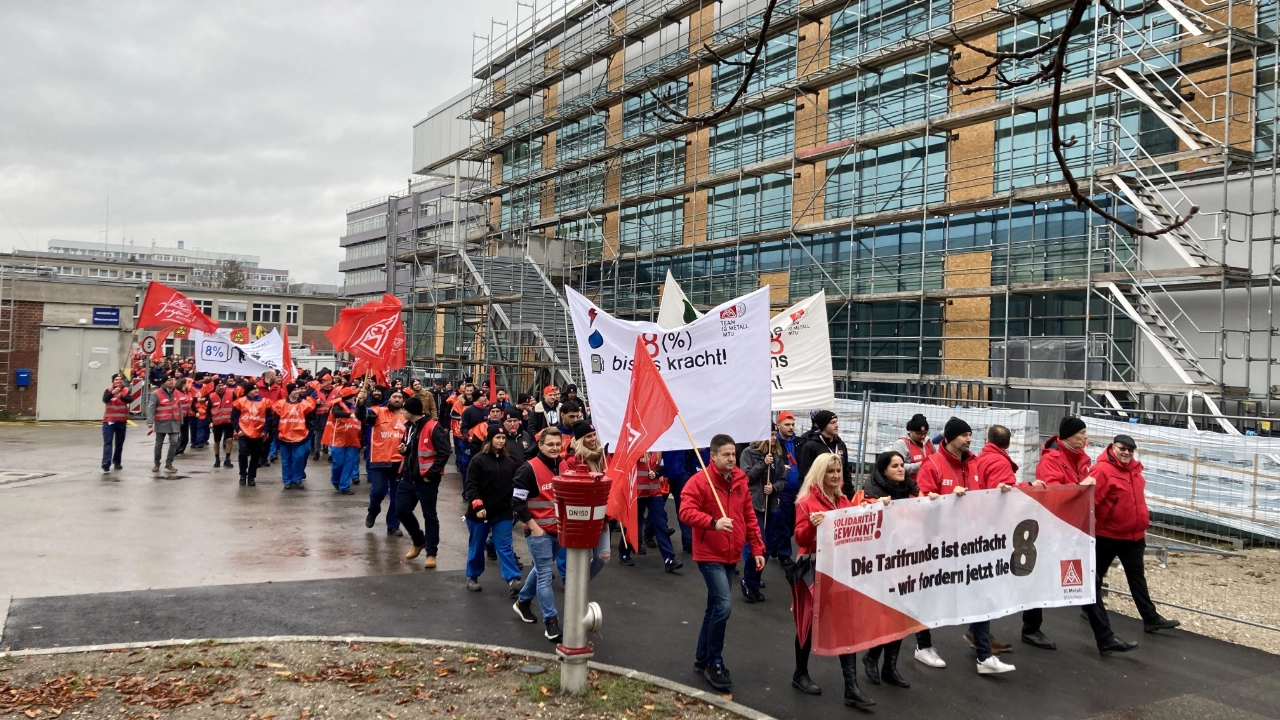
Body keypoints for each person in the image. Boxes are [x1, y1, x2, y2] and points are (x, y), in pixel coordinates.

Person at [917, 417, 1016, 675]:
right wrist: (946, 499)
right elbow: (921, 503)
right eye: (964, 435)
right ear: (950, 438)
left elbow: (983, 495)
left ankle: (984, 656)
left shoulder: (975, 463)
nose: (969, 439)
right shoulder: (933, 464)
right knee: (929, 595)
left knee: (979, 594)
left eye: (971, 434)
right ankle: (923, 645)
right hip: (940, 545)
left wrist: (999, 490)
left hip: (972, 542)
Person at [792, 452, 880, 707]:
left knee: (845, 626)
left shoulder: (844, 502)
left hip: (839, 571)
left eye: (839, 471)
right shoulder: (806, 502)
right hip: (813, 569)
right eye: (831, 471)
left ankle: (851, 688)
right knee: (807, 625)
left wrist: (871, 511)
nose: (836, 475)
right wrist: (811, 525)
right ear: (820, 473)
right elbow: (799, 538)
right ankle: (800, 673)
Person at [678, 434, 764, 693]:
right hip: (709, 553)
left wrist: (757, 548)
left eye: (733, 454)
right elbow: (685, 511)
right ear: (712, 456)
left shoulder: (739, 480)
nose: (731, 458)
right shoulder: (699, 481)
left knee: (715, 606)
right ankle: (715, 661)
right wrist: (713, 523)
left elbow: (748, 516)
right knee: (724, 606)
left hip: (732, 553)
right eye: (725, 454)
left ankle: (701, 658)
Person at [1083, 434, 1177, 654]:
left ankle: (1150, 617)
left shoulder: (1135, 472)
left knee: (1137, 577)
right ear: (1113, 448)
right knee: (1095, 577)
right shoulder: (1102, 471)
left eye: (1130, 450)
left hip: (1133, 536)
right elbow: (1090, 503)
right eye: (1122, 449)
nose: (1126, 453)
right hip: (1107, 535)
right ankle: (1091, 610)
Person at [860, 451, 917, 689]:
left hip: (907, 561)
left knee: (901, 616)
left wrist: (934, 502)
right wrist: (873, 510)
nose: (901, 469)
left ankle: (890, 666)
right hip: (882, 564)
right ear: (884, 470)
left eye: (902, 465)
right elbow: (861, 524)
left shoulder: (913, 491)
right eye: (895, 466)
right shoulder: (869, 494)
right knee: (884, 616)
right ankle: (872, 657)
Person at [512, 427, 567, 642]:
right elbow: (517, 503)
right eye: (550, 444)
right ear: (540, 445)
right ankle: (551, 622)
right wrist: (534, 528)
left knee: (540, 569)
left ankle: (522, 601)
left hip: (559, 531)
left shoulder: (563, 465)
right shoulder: (528, 469)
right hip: (538, 533)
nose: (555, 448)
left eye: (558, 444)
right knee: (545, 575)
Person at [389, 396, 449, 568]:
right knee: (400, 510)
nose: (401, 412)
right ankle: (419, 540)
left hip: (426, 481)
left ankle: (431, 553)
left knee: (430, 516)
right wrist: (405, 449)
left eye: (404, 410)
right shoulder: (410, 427)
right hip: (408, 477)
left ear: (411, 412)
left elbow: (444, 452)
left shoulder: (433, 427)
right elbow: (414, 449)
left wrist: (430, 474)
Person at [464, 428, 522, 595]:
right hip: (480, 513)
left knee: (504, 546)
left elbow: (514, 485)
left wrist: (517, 506)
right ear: (490, 440)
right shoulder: (478, 460)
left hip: (503, 512)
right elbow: (471, 485)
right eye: (498, 437)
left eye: (503, 437)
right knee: (477, 544)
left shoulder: (508, 462)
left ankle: (513, 580)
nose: (502, 441)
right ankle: (473, 576)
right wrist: (478, 506)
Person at [738, 431, 785, 601]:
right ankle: (748, 582)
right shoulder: (748, 453)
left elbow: (782, 479)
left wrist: (774, 488)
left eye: (774, 434)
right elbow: (745, 477)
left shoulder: (777, 455)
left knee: (767, 547)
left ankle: (754, 582)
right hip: (754, 505)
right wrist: (763, 464)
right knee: (757, 546)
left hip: (770, 506)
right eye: (770, 434)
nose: (773, 438)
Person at [358, 385, 406, 537]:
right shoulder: (378, 412)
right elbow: (361, 416)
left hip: (400, 462)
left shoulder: (408, 416)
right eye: (394, 397)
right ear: (389, 398)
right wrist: (360, 404)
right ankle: (373, 511)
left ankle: (393, 525)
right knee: (378, 492)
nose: (397, 399)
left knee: (398, 497)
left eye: (400, 397)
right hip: (380, 460)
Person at [768, 412, 801, 566]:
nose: (791, 427)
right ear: (779, 424)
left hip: (799, 488)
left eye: (792, 424)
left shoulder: (800, 442)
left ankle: (776, 543)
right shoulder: (774, 444)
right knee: (782, 522)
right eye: (787, 424)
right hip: (783, 488)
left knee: (793, 523)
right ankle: (784, 554)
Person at [797, 410, 851, 497]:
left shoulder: (840, 444)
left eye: (836, 422)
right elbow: (804, 475)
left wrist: (850, 494)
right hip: (818, 495)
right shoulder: (811, 446)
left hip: (839, 494)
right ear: (824, 425)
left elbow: (846, 472)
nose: (836, 425)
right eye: (832, 423)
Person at [275, 383, 316, 489]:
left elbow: (310, 419)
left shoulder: (305, 404)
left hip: (301, 436)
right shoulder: (280, 404)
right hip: (284, 436)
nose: (297, 392)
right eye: (294, 390)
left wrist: (309, 431)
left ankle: (297, 479)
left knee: (298, 458)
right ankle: (287, 481)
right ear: (289, 392)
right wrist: (276, 432)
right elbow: (275, 420)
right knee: (286, 460)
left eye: (298, 389)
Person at [324, 386, 361, 494]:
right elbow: (336, 413)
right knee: (338, 463)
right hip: (338, 439)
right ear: (349, 397)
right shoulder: (337, 404)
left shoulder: (356, 405)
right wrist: (350, 415)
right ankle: (336, 481)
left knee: (349, 463)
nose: (355, 396)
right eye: (353, 395)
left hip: (352, 438)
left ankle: (344, 486)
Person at [232, 382, 270, 486]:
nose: (256, 391)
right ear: (248, 391)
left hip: (258, 434)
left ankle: (252, 477)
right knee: (243, 454)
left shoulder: (264, 402)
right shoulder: (240, 402)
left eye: (257, 389)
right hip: (243, 433)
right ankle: (243, 475)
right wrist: (238, 429)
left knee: (255, 456)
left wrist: (265, 431)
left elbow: (269, 418)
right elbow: (234, 417)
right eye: (254, 389)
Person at [146, 377, 182, 473]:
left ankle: (169, 463)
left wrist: (181, 421)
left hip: (174, 421)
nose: (171, 382)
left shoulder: (176, 392)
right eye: (168, 380)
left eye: (172, 380)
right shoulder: (156, 393)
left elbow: (179, 406)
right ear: (163, 382)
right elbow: (151, 407)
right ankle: (157, 464)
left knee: (174, 442)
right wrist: (149, 421)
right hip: (161, 422)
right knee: (159, 444)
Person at [101, 374, 133, 473]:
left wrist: (121, 396)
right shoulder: (108, 390)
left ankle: (117, 462)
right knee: (108, 441)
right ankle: (106, 462)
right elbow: (105, 399)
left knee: (119, 443)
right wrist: (112, 393)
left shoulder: (126, 391)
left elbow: (129, 400)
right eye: (116, 379)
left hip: (121, 421)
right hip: (109, 420)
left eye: (120, 379)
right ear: (113, 381)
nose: (118, 381)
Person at [890, 414, 934, 483]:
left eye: (925, 433)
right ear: (911, 431)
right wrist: (919, 465)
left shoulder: (928, 442)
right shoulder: (902, 444)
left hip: (928, 484)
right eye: (919, 433)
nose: (923, 436)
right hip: (909, 486)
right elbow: (895, 467)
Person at [209, 378, 236, 468]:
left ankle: (227, 459)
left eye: (222, 385)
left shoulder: (231, 394)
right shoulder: (211, 396)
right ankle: (217, 459)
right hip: (217, 422)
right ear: (215, 387)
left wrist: (234, 418)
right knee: (217, 441)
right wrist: (210, 422)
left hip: (228, 421)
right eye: (219, 386)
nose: (221, 387)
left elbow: (236, 406)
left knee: (229, 440)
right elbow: (208, 410)